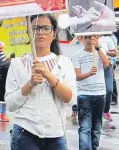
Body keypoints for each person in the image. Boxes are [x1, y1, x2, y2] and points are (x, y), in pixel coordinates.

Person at [5, 14, 76, 150]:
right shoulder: (17, 64)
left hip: (56, 135)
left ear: (54, 33)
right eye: (35, 28)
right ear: (28, 32)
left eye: (46, 28)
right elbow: (10, 105)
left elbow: (71, 99)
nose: (40, 32)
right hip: (25, 133)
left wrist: (48, 76)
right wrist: (30, 84)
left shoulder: (64, 63)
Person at [72, 34, 110, 150]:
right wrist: (88, 73)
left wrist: (98, 48)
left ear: (96, 37)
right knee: (85, 127)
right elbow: (76, 76)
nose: (89, 40)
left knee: (96, 127)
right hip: (84, 96)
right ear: (81, 39)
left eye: (92, 37)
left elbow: (107, 65)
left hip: (99, 95)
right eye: (86, 38)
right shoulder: (77, 56)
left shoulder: (100, 52)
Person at [98, 34, 117, 121]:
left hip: (107, 67)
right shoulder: (88, 38)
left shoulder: (107, 39)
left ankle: (105, 111)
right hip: (95, 69)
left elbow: (114, 53)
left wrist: (106, 51)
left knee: (109, 90)